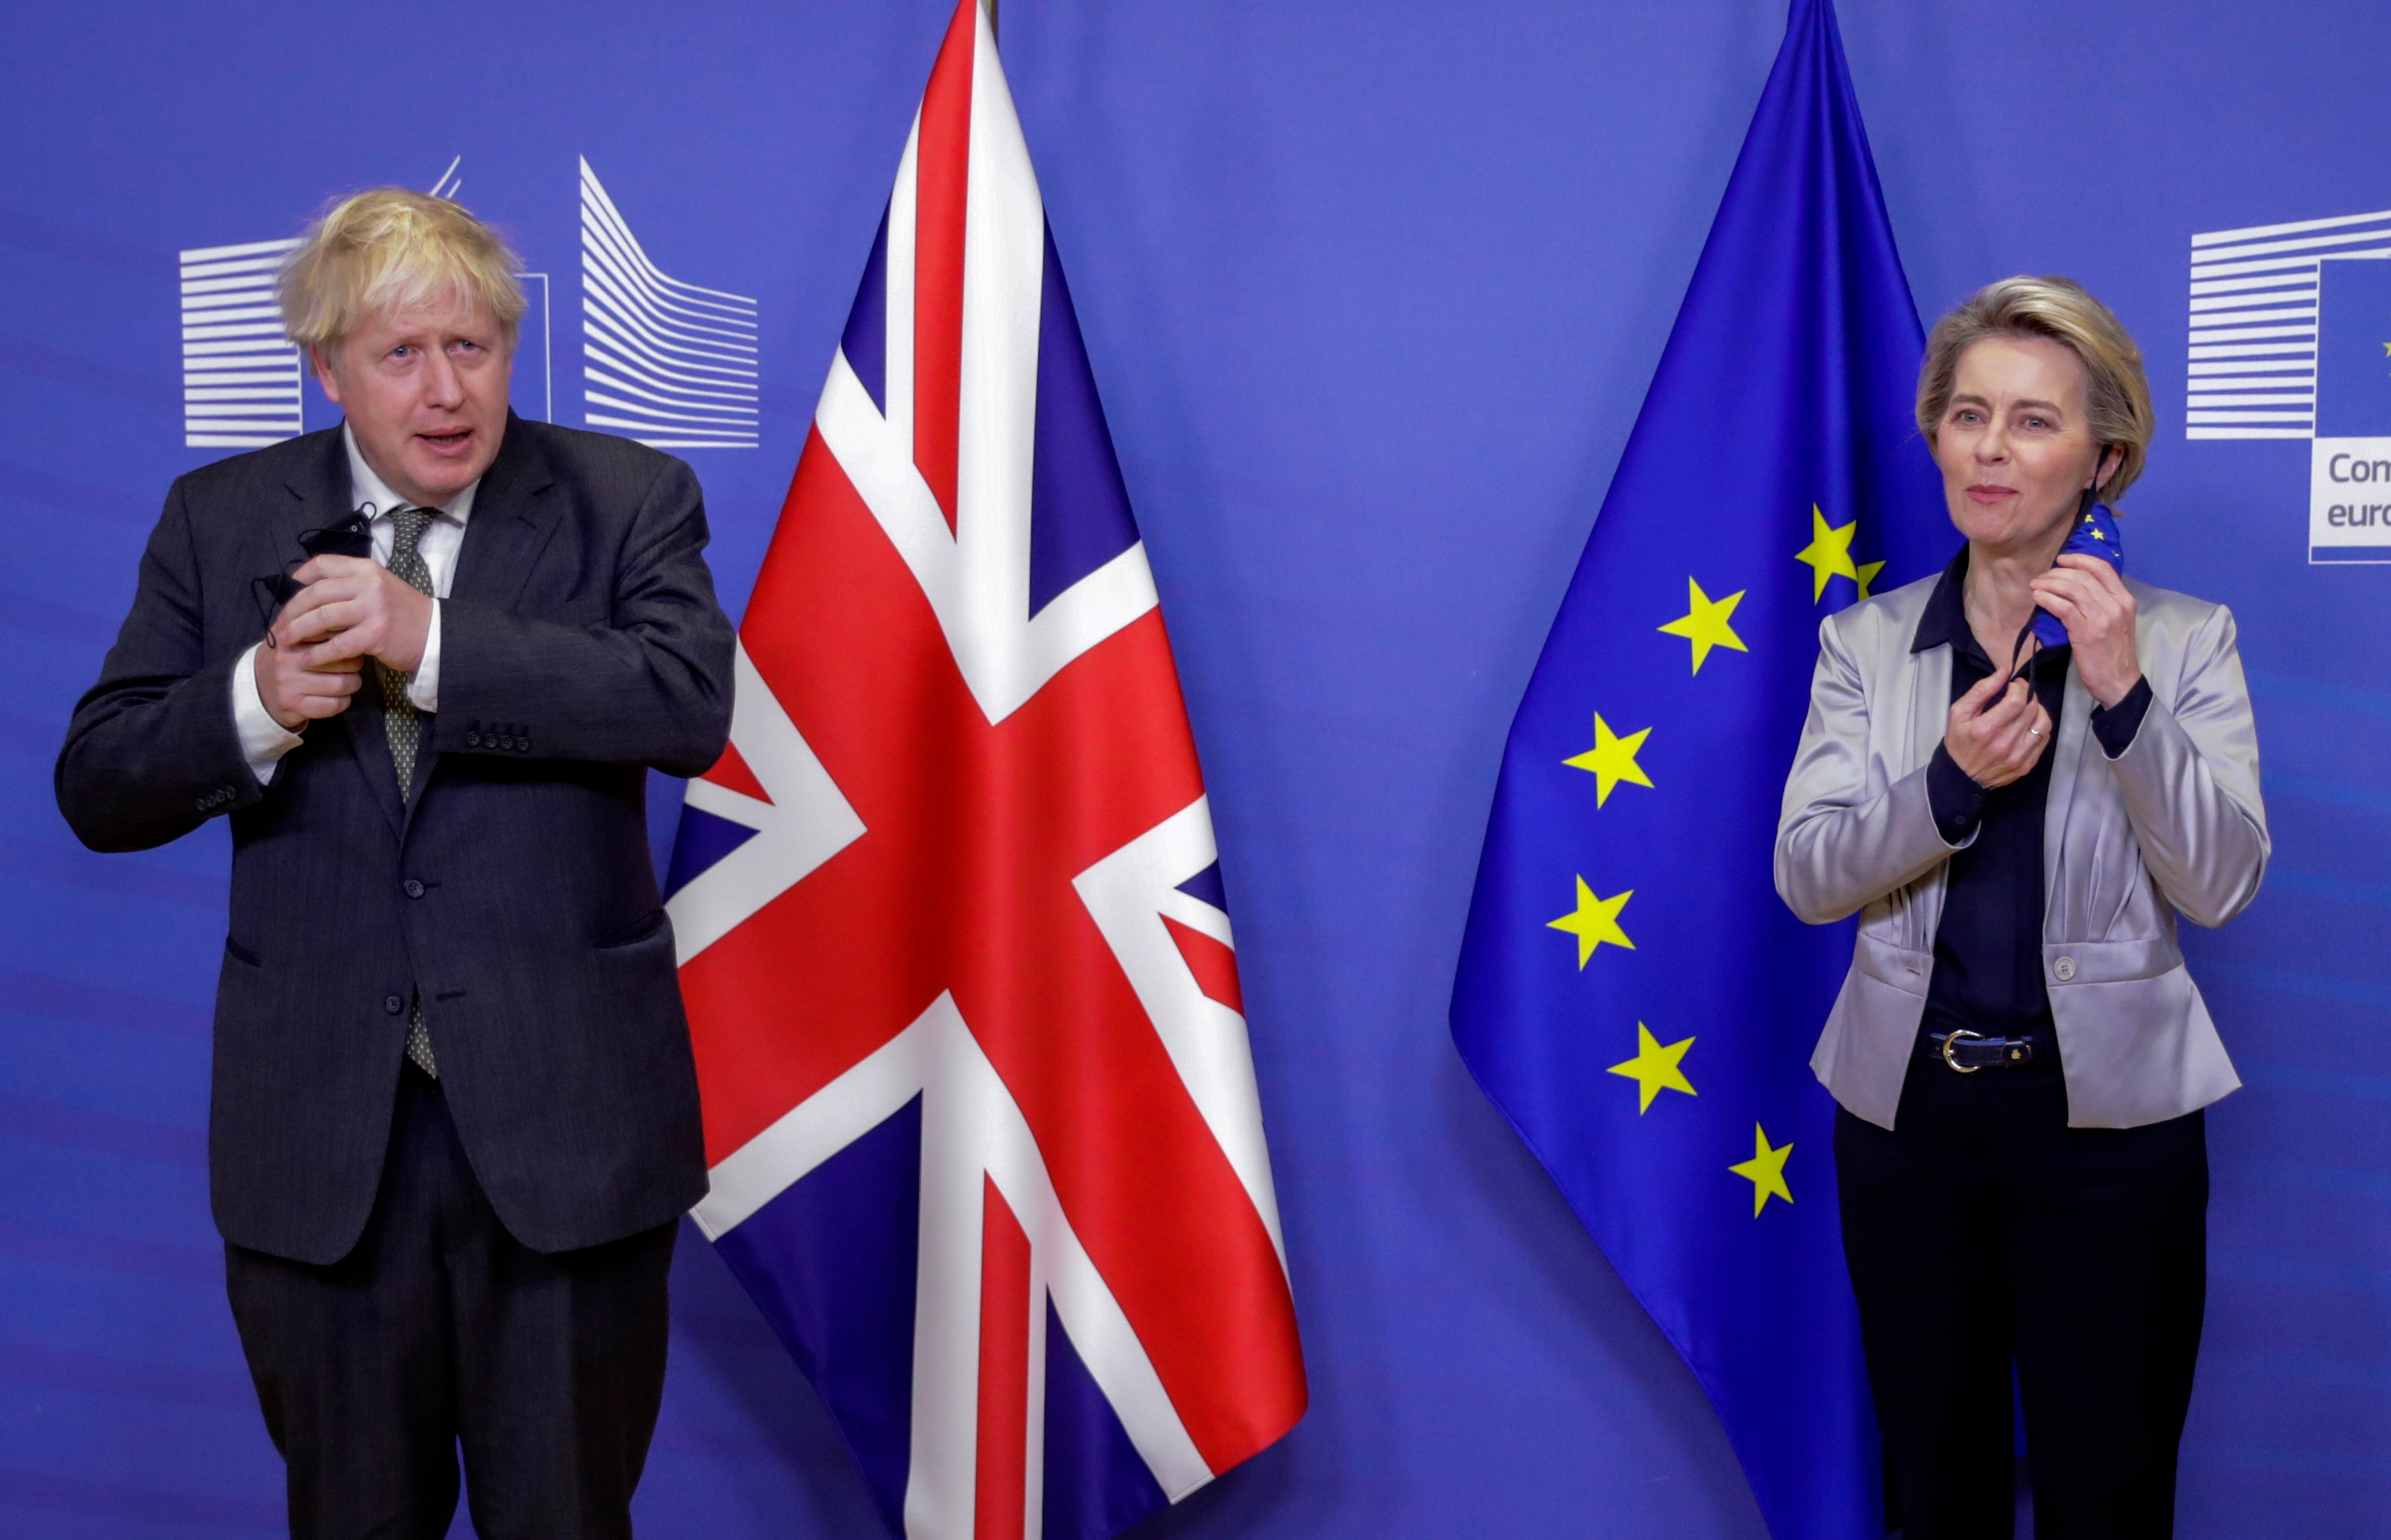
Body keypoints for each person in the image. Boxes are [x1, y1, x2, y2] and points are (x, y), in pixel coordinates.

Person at [56, 189, 735, 1538]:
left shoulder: (627, 497)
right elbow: (101, 781)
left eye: (473, 348)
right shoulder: (220, 516)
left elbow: (680, 705)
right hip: (320, 1147)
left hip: (567, 1137)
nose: (446, 390)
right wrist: (252, 698)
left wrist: (430, 642)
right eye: (402, 355)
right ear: (329, 369)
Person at [1775, 276, 2269, 1538]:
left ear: (2105, 458)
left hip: (2110, 1130)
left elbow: (2220, 884)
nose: (1990, 448)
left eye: (2034, 422)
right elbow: (1808, 874)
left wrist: (2123, 697)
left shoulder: (2187, 640)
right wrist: (1947, 783)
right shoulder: (1864, 644)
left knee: (2109, 1489)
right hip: (1908, 1121)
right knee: (1935, 1485)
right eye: (1968, 415)